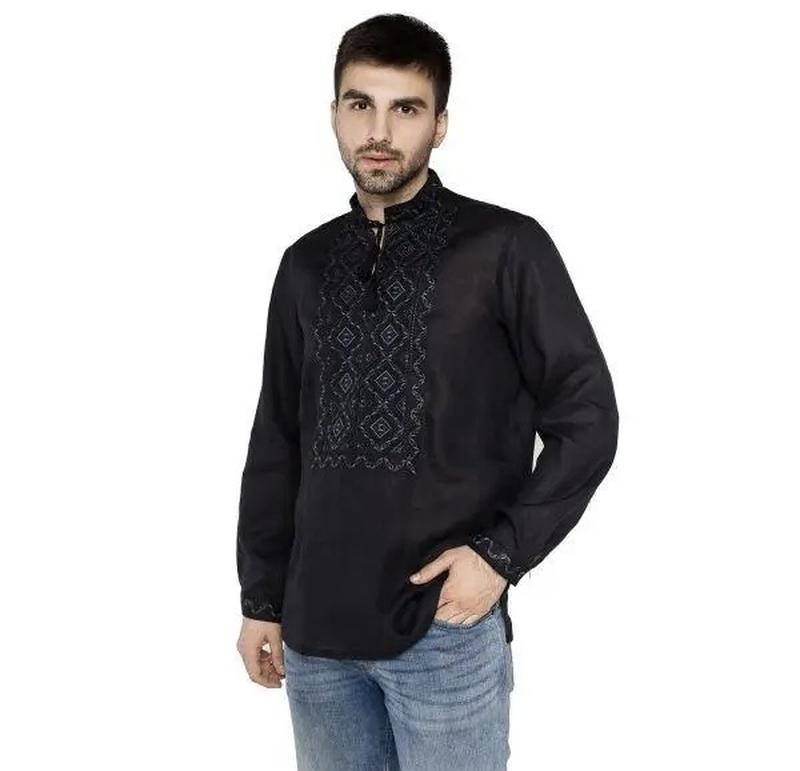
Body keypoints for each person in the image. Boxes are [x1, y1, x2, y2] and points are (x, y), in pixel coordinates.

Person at [235, 13, 618, 770]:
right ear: (335, 114)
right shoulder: (305, 264)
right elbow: (277, 438)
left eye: (405, 108)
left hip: (443, 629)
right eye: (360, 104)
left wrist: (500, 556)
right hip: (316, 636)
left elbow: (587, 416)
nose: (378, 131)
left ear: (439, 124)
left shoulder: (505, 248)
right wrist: (261, 599)